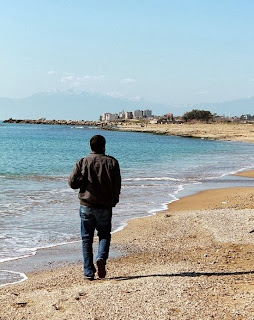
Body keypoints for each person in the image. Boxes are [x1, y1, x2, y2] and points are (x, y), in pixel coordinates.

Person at [68, 135, 121, 280]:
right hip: (105, 206)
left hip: (86, 205)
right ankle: (101, 258)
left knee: (86, 239)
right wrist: (114, 200)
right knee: (104, 235)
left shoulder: (83, 162)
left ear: (91, 147)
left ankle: (88, 272)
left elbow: (72, 183)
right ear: (104, 146)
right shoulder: (112, 162)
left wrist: (83, 180)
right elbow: (117, 185)